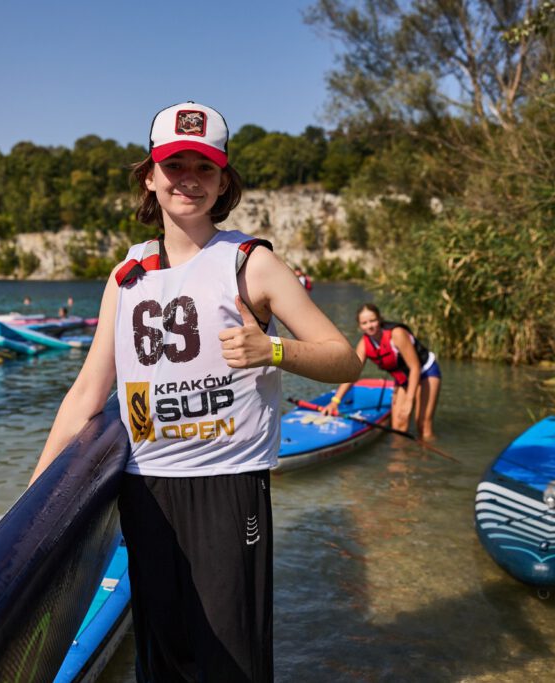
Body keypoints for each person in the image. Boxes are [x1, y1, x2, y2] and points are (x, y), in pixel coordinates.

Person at [29, 101, 361, 681]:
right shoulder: (126, 275)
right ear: (149, 177)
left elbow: (345, 359)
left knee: (230, 662)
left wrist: (273, 350)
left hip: (227, 487)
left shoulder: (251, 263)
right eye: (174, 165)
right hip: (145, 488)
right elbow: (87, 393)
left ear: (223, 181)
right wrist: (30, 504)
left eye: (204, 167)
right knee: (162, 661)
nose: (189, 179)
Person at [320, 303, 442, 439]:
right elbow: (352, 374)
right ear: (360, 326)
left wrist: (409, 400)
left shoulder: (397, 334)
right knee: (399, 426)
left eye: (373, 320)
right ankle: (402, 453)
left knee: (423, 425)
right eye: (364, 323)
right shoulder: (364, 345)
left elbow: (415, 367)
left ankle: (428, 448)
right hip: (404, 378)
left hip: (425, 371)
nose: (369, 326)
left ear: (380, 319)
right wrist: (335, 401)